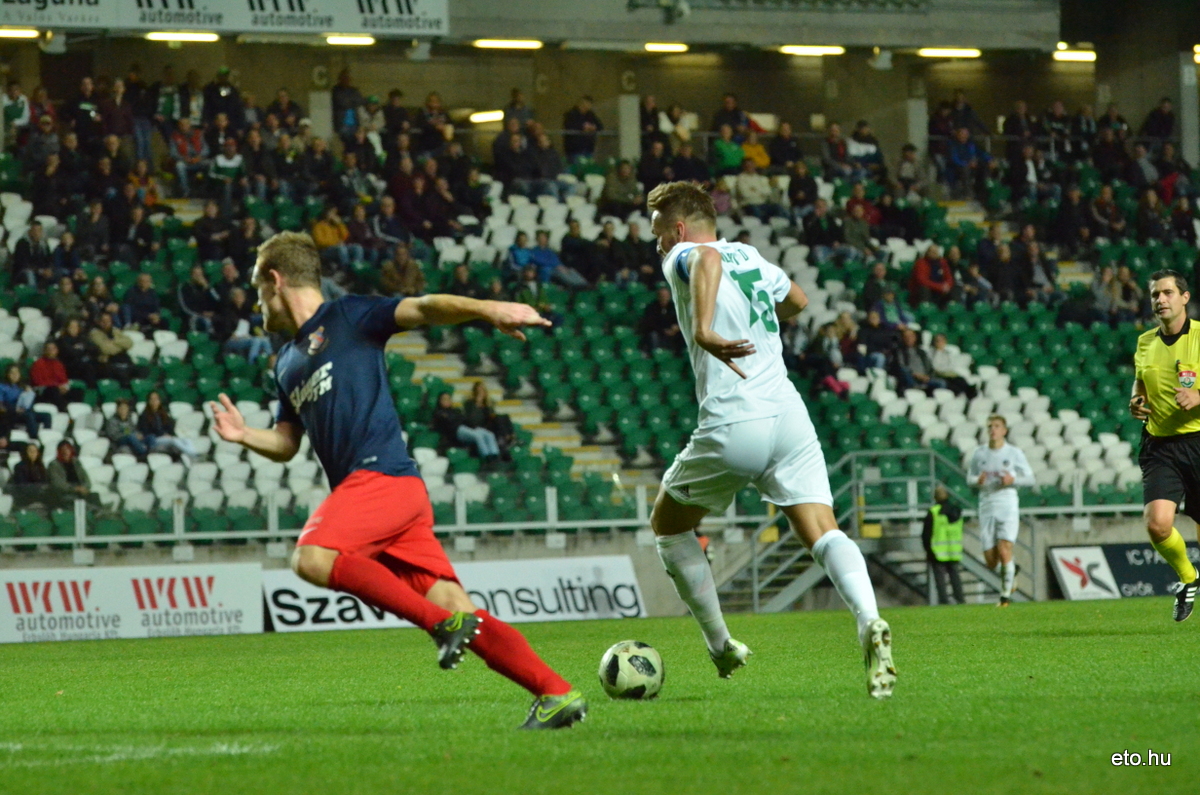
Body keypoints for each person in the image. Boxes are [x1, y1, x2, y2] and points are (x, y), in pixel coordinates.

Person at [208, 231, 587, 728]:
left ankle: (439, 626)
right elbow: (286, 444)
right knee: (460, 609)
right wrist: (244, 436)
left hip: (381, 477)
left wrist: (488, 308)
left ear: (275, 280)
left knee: (311, 557)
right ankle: (556, 692)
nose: (257, 306)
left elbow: (426, 308)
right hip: (385, 499)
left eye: (258, 292)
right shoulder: (286, 362)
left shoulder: (349, 317)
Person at [646, 180, 895, 697]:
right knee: (821, 530)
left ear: (678, 227)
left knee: (668, 526)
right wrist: (756, 322)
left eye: (658, 234)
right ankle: (868, 619)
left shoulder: (687, 255)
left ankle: (720, 645)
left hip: (736, 416)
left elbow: (705, 263)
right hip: (788, 411)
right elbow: (798, 300)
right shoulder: (751, 257)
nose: (658, 247)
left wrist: (705, 328)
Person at [1129, 269, 1200, 621]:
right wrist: (1135, 400)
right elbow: (1140, 382)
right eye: (1156, 294)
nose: (1160, 300)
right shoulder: (1145, 342)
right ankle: (1189, 578)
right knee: (1157, 524)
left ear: (1184, 298)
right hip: (1160, 444)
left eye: (1168, 293)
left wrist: (1199, 394)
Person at [967, 415, 1034, 607]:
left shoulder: (1014, 453)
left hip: (1007, 504)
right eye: (990, 426)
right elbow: (969, 478)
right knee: (991, 561)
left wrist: (1013, 480)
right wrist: (976, 481)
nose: (992, 430)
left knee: (1005, 549)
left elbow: (1030, 478)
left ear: (1004, 430)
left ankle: (1004, 597)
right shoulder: (979, 454)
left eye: (996, 426)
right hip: (986, 505)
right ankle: (1012, 571)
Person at [922, 485, 965, 605]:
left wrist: (927, 550)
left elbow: (926, 534)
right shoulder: (957, 511)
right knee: (955, 576)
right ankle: (960, 599)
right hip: (954, 549)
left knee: (940, 579)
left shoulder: (933, 512)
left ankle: (944, 601)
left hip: (938, 551)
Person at [432, 390, 501, 465]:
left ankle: (495, 455)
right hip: (456, 431)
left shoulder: (456, 410)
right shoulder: (439, 413)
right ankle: (486, 457)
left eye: (448, 399)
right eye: (444, 399)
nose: (447, 401)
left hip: (467, 427)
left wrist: (472, 426)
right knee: (478, 436)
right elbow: (448, 423)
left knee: (489, 434)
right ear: (440, 401)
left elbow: (464, 419)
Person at [139, 390, 196, 462]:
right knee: (174, 441)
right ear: (149, 401)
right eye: (152, 399)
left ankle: (193, 453)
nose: (154, 401)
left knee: (186, 440)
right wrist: (163, 435)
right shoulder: (144, 416)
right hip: (155, 439)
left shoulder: (163, 413)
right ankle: (192, 455)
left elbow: (170, 426)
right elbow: (146, 432)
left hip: (166, 437)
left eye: (156, 399)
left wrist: (169, 434)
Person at [463, 381, 514, 456]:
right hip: (477, 425)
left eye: (482, 390)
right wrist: (477, 403)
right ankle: (506, 438)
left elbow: (491, 415)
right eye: (478, 390)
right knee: (498, 420)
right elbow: (472, 418)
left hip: (488, 424)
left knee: (504, 417)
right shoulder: (469, 403)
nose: (480, 393)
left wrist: (487, 405)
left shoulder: (488, 403)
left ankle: (510, 435)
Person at [30, 341, 81, 410]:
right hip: (45, 390)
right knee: (53, 390)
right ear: (45, 351)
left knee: (77, 391)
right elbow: (37, 382)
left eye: (53, 349)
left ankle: (76, 412)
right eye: (49, 349)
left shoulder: (59, 364)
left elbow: (64, 379)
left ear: (57, 350)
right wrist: (57, 386)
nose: (51, 351)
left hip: (58, 389)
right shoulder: (38, 363)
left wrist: (64, 387)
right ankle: (63, 410)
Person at [48, 439, 93, 510]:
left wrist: (85, 488)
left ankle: (101, 511)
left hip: (80, 492)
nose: (65, 452)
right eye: (63, 450)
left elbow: (86, 479)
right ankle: (96, 510)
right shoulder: (53, 465)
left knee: (95, 496)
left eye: (67, 449)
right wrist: (75, 489)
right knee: (72, 499)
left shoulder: (76, 462)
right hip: (65, 494)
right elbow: (58, 484)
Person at [640, 283, 682, 353]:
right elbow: (650, 323)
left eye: (666, 296)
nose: (664, 298)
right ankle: (655, 354)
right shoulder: (652, 307)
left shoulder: (674, 307)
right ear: (658, 297)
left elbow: (679, 320)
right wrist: (664, 330)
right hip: (658, 331)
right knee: (653, 336)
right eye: (662, 296)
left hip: (672, 332)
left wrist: (676, 327)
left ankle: (678, 355)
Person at [562, 96, 602, 162]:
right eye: (584, 104)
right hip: (574, 149)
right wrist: (582, 127)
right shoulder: (571, 114)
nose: (586, 106)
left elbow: (600, 126)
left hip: (588, 148)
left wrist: (593, 127)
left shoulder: (591, 115)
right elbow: (569, 126)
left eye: (588, 104)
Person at [10, 443, 49, 507]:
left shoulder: (40, 467)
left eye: (35, 451)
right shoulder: (19, 467)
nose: (32, 453)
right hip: (26, 496)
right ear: (25, 453)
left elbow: (45, 482)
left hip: (41, 494)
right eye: (30, 451)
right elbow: (21, 485)